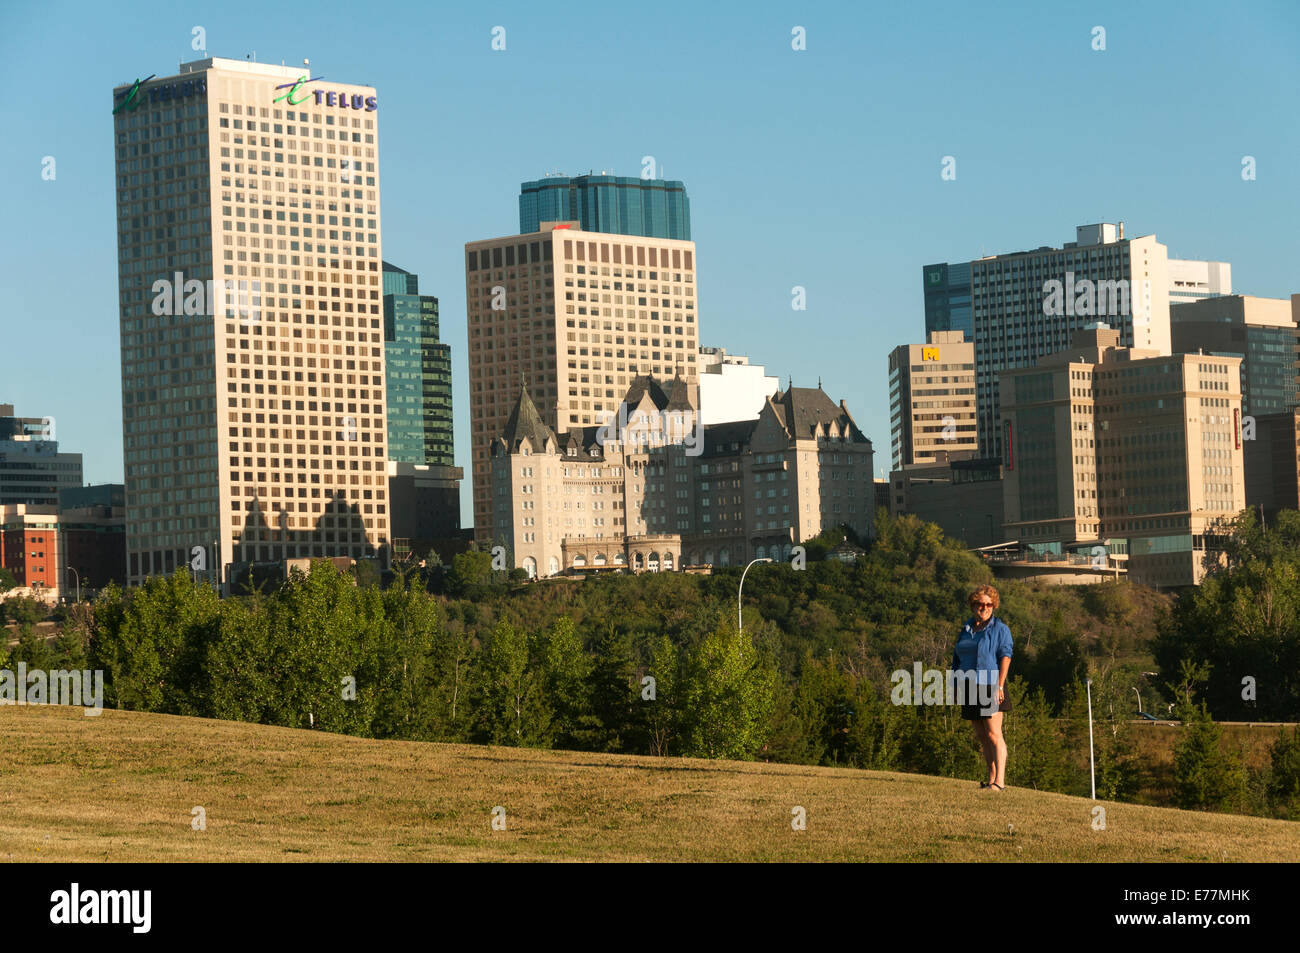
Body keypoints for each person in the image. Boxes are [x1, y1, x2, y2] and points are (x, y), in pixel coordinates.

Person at [952, 584, 1013, 790]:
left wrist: (1000, 686)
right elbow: (957, 660)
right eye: (980, 604)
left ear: (993, 606)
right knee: (982, 736)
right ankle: (991, 778)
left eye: (989, 604)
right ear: (973, 605)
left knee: (994, 734)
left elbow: (1005, 657)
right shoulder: (966, 629)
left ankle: (1000, 783)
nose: (984, 608)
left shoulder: (999, 629)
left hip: (990, 684)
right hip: (968, 685)